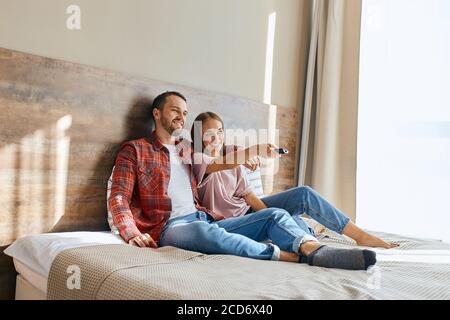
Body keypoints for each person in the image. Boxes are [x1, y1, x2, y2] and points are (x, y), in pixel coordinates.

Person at [109, 91, 377, 271]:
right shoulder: (135, 150)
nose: (181, 116)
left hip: (205, 218)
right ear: (157, 114)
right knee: (208, 234)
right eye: (174, 111)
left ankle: (315, 249)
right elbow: (119, 197)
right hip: (169, 227)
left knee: (273, 215)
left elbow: (215, 157)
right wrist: (132, 232)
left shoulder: (186, 149)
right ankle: (290, 256)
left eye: (185, 112)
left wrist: (249, 153)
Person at [191, 111, 399, 256]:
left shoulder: (234, 161)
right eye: (209, 133)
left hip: (249, 212)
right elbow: (219, 164)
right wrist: (253, 150)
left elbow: (251, 198)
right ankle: (310, 240)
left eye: (219, 132)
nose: (216, 137)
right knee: (287, 220)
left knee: (303, 194)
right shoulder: (198, 160)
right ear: (199, 137)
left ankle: (359, 235)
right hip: (229, 223)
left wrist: (277, 214)